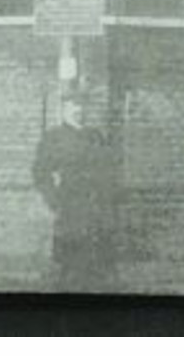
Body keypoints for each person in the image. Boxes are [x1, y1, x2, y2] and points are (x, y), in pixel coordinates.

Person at [32, 92, 117, 290]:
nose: (78, 112)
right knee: (70, 263)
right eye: (72, 108)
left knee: (96, 267)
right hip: (70, 206)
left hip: (97, 207)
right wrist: (53, 199)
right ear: (63, 111)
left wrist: (107, 197)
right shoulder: (54, 137)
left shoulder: (95, 136)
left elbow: (108, 167)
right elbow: (40, 172)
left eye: (81, 108)